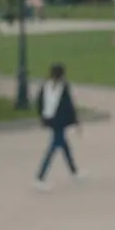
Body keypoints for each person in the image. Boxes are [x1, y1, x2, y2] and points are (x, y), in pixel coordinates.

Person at [34, 63, 83, 191]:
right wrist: (76, 121)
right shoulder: (63, 87)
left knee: (64, 145)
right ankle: (40, 177)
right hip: (59, 121)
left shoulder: (45, 85)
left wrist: (42, 116)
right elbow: (69, 105)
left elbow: (39, 102)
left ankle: (74, 171)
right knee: (54, 147)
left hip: (50, 119)